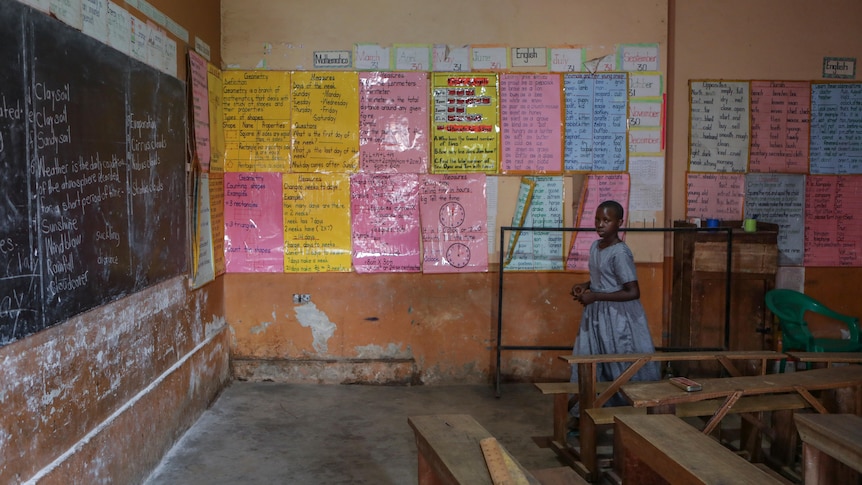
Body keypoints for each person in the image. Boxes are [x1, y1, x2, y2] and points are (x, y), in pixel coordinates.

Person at [568, 200, 660, 429]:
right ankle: (590, 415)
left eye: (606, 220)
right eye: (598, 219)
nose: (600, 224)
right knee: (591, 364)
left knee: (622, 365)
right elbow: (603, 277)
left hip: (619, 318)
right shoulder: (595, 247)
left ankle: (635, 419)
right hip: (597, 316)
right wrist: (586, 285)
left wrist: (596, 297)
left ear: (619, 223)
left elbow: (633, 292)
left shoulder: (620, 252)